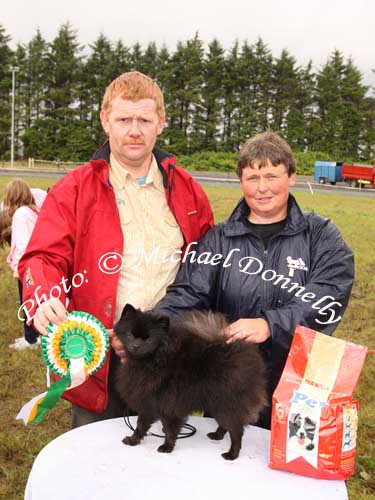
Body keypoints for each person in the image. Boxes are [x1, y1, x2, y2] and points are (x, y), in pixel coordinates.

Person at [18, 71, 214, 427]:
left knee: (166, 462)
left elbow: (207, 269)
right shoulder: (73, 189)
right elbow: (41, 257)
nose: (134, 130)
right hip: (97, 361)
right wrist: (43, 294)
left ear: (161, 123)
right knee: (97, 470)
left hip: (168, 360)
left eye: (144, 119)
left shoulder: (189, 192)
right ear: (105, 121)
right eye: (124, 119)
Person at [149, 131, 354, 430]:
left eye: (271, 176)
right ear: (241, 181)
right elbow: (188, 293)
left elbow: (328, 296)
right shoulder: (218, 239)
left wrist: (271, 324)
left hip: (299, 382)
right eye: (252, 178)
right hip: (229, 381)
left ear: (292, 177)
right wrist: (150, 326)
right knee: (227, 459)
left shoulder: (321, 234)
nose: (262, 189)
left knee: (291, 465)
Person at [2, 179, 45, 350]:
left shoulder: (20, 215)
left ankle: (31, 340)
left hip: (26, 268)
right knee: (34, 301)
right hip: (36, 265)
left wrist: (18, 269)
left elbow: (23, 244)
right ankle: (35, 336)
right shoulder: (33, 211)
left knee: (26, 303)